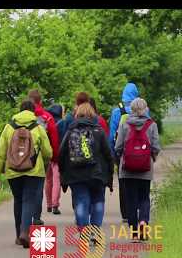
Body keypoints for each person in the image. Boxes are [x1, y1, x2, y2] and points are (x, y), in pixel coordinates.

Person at [0, 100, 53, 248]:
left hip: (13, 171)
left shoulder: (8, 127)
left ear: (19, 111)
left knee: (18, 200)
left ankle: (18, 235)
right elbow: (48, 152)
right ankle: (25, 232)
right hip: (34, 171)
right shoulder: (38, 127)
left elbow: (0, 154)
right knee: (28, 200)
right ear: (33, 112)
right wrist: (43, 160)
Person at [58, 103, 113, 239]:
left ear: (77, 115)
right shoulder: (98, 131)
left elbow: (61, 154)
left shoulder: (71, 131)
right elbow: (108, 155)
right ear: (92, 114)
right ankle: (95, 232)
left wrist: (63, 174)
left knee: (81, 202)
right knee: (98, 201)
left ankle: (84, 233)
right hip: (97, 174)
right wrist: (109, 174)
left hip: (76, 175)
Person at [114, 98, 160, 241]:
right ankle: (143, 222)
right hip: (145, 169)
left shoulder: (125, 124)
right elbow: (156, 147)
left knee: (130, 200)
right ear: (145, 109)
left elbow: (118, 147)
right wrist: (152, 158)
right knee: (144, 198)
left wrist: (121, 157)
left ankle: (134, 232)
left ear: (131, 109)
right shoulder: (151, 125)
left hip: (127, 169)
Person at [108, 82, 144, 223]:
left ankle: (126, 213)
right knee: (139, 181)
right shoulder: (143, 110)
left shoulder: (117, 111)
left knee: (123, 182)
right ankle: (138, 210)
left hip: (123, 153)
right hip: (141, 153)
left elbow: (112, 136)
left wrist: (113, 154)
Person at [28, 89, 59, 225]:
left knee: (27, 187)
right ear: (40, 101)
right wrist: (54, 156)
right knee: (39, 185)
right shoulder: (47, 117)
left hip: (22, 157)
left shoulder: (19, 116)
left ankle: (25, 216)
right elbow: (54, 138)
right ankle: (36, 216)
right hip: (42, 157)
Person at [45, 103, 65, 214]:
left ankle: (48, 204)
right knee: (57, 180)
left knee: (48, 180)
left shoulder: (47, 121)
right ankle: (55, 205)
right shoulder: (62, 123)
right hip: (57, 155)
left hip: (47, 154)